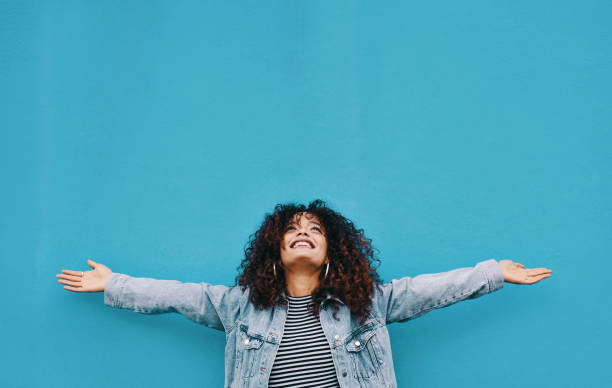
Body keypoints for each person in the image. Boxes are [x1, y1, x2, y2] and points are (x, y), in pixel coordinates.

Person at [56, 199, 552, 388]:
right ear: (276, 248)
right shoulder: (238, 306)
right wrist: (114, 283)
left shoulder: (368, 303)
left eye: (315, 229)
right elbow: (179, 294)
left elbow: (426, 290)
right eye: (292, 228)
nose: (303, 232)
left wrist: (493, 272)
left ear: (331, 249)